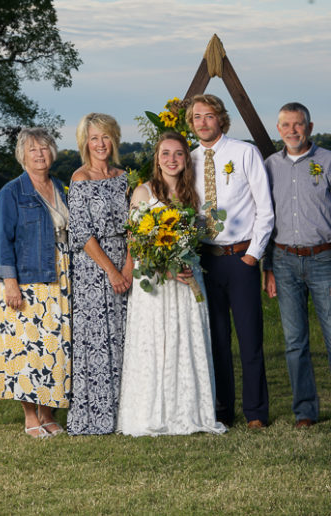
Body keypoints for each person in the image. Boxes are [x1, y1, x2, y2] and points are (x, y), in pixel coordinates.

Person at [263, 102, 331, 432]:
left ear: (310, 127)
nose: (292, 130)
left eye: (298, 124)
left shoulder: (330, 162)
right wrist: (267, 267)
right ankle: (304, 411)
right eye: (286, 125)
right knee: (295, 343)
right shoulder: (270, 166)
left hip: (324, 261)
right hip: (284, 262)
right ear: (278, 129)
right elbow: (265, 220)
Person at [117, 131, 226, 436]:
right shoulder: (143, 192)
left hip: (187, 278)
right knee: (155, 343)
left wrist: (184, 262)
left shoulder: (193, 195)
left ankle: (189, 410)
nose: (172, 159)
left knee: (185, 342)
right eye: (165, 153)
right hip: (155, 280)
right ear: (157, 159)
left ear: (186, 159)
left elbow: (196, 238)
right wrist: (165, 270)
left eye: (178, 153)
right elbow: (135, 241)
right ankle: (150, 413)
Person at [186, 94, 274, 429]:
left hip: (241, 258)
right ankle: (222, 410)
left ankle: (256, 412)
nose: (203, 122)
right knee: (217, 340)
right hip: (206, 261)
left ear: (221, 119)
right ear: (191, 123)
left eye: (209, 115)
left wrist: (254, 254)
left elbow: (265, 208)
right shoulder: (189, 160)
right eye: (197, 117)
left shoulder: (244, 152)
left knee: (250, 339)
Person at [0, 127, 71, 438]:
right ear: (22, 156)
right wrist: (10, 282)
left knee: (55, 348)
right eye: (33, 149)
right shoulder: (11, 192)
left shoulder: (61, 187)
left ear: (52, 152)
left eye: (44, 148)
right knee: (25, 349)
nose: (40, 154)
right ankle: (30, 416)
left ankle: (47, 413)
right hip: (26, 279)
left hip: (61, 277)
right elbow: (2, 241)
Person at [67, 113, 133, 435]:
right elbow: (81, 232)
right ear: (85, 143)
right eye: (94, 138)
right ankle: (97, 417)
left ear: (114, 139)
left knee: (124, 336)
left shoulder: (124, 178)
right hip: (93, 270)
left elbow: (136, 225)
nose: (101, 143)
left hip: (125, 263)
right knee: (96, 340)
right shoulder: (79, 178)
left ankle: (127, 415)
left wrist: (128, 267)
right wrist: (111, 272)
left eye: (105, 136)